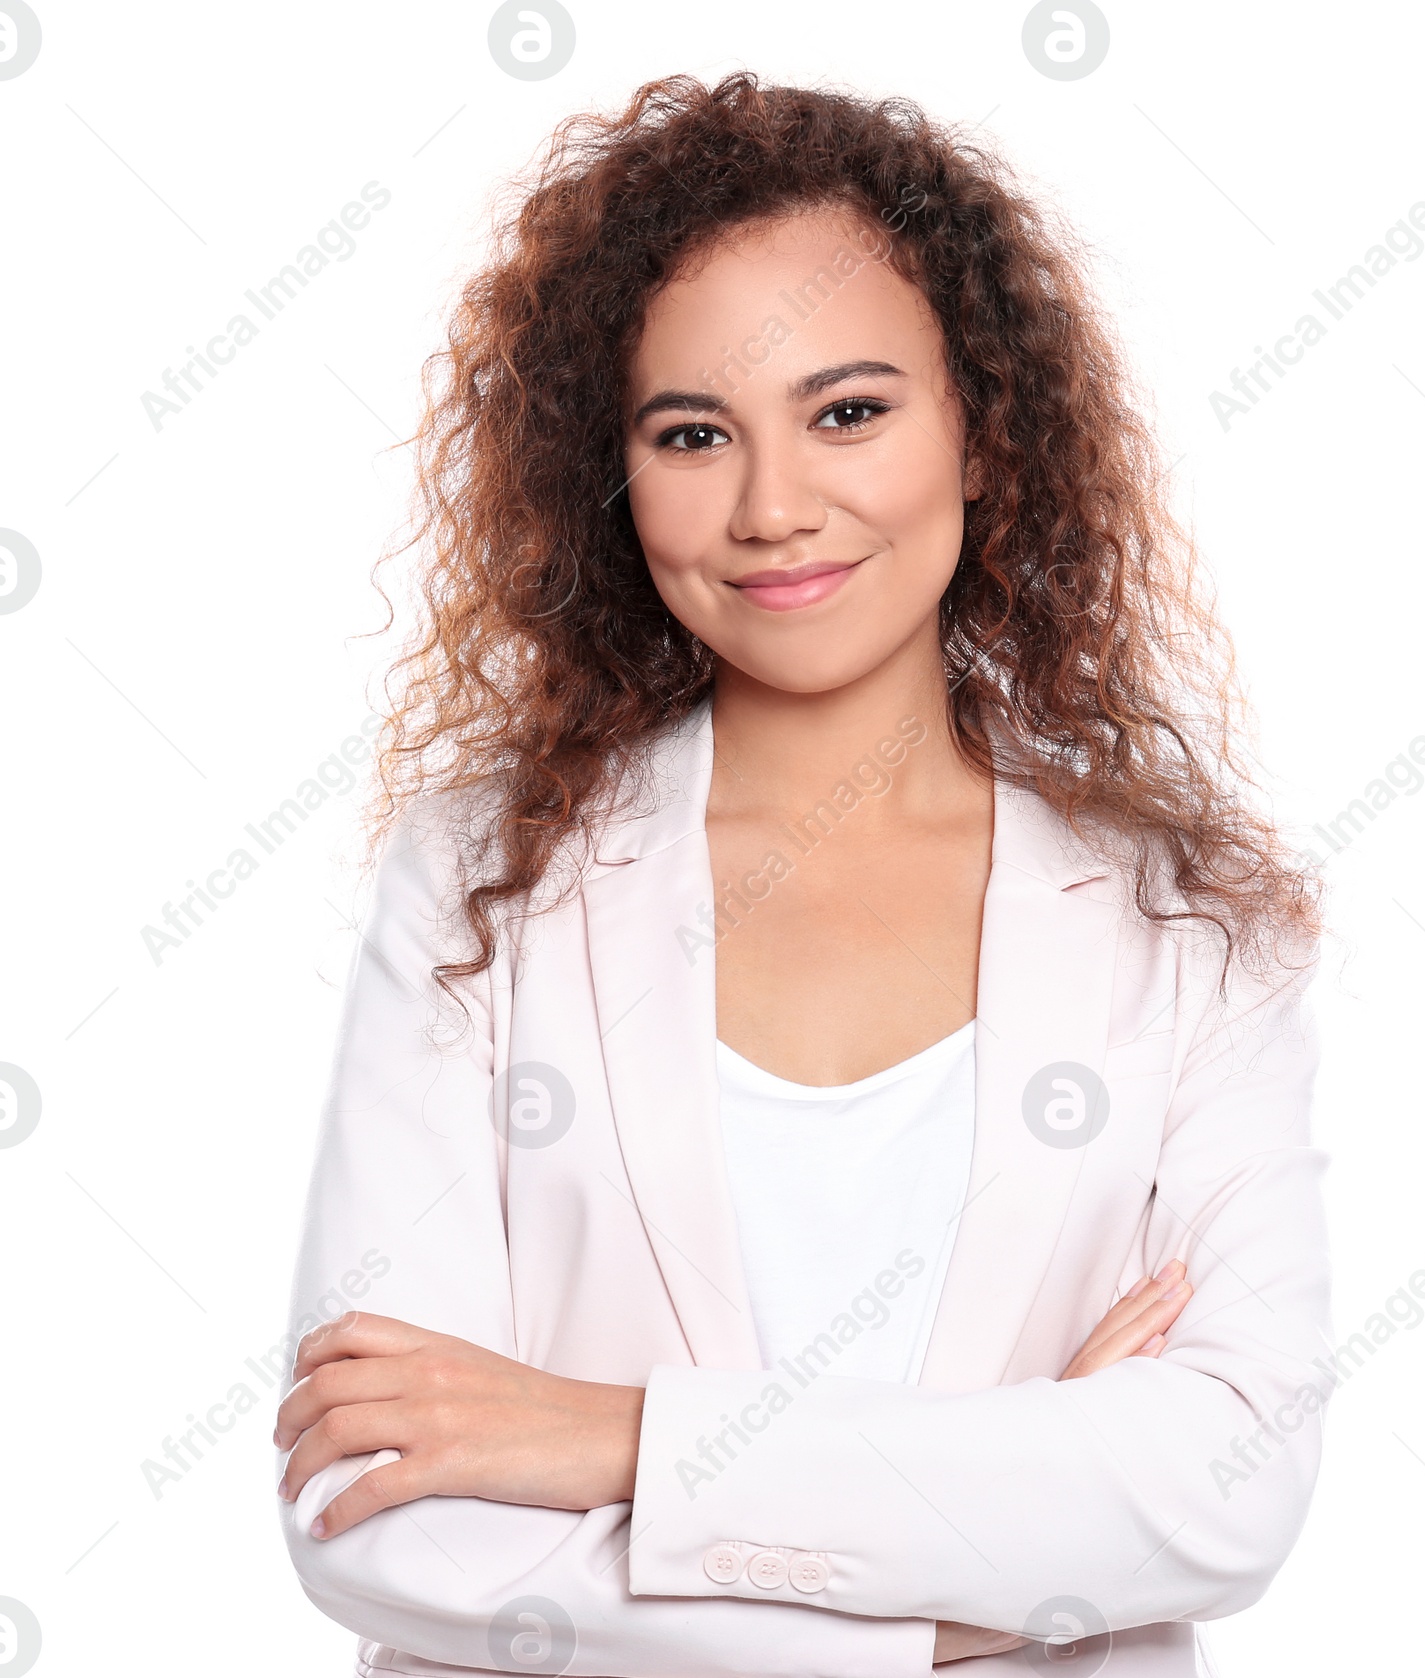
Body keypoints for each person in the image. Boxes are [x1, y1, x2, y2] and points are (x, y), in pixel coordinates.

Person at [274, 72, 1333, 1678]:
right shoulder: (485, 880)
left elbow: (1227, 1488)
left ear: (982, 432)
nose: (774, 508)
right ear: (612, 478)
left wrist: (617, 1438)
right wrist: (990, 1548)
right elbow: (377, 1501)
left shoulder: (1185, 923)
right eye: (693, 434)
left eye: (849, 411)